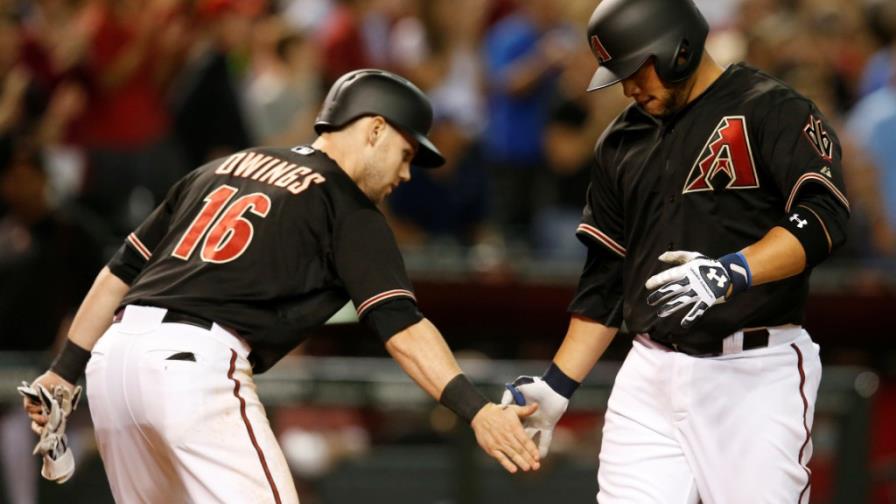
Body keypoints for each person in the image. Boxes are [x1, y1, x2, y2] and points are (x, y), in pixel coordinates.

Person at [22, 69, 540, 503]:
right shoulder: (347, 205)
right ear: (376, 129)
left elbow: (119, 272)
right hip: (193, 367)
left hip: (112, 364)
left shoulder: (220, 168)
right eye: (407, 154)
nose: (407, 174)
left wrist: (66, 370)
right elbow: (401, 326)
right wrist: (478, 410)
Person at [502, 0, 850, 502]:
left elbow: (824, 217)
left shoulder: (772, 108)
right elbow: (605, 282)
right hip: (650, 371)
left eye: (635, 69)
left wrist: (732, 272)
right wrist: (557, 386)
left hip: (753, 372)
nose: (628, 87)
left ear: (679, 48)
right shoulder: (621, 140)